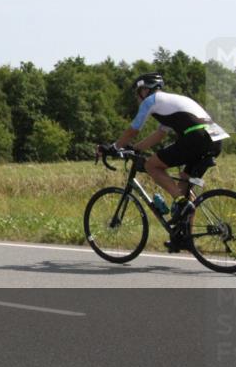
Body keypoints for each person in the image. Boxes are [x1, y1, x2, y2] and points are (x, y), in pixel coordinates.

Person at [98, 72, 229, 251]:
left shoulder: (151, 101)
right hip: (215, 138)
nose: (137, 97)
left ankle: (182, 204)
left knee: (151, 165)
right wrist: (135, 149)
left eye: (137, 92)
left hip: (197, 137)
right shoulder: (169, 103)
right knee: (184, 185)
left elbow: (133, 129)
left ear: (145, 90)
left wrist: (113, 147)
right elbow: (160, 134)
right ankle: (185, 239)